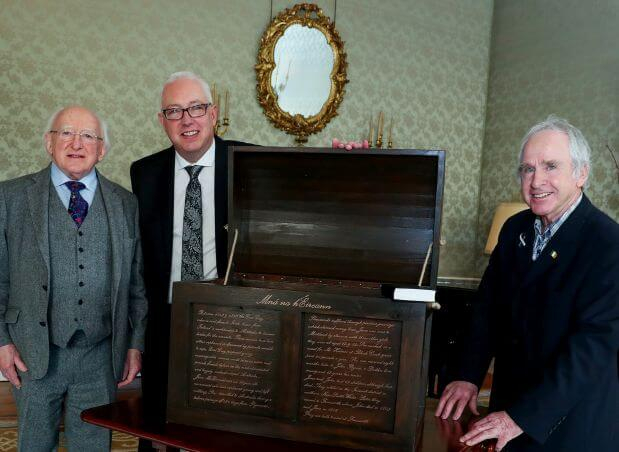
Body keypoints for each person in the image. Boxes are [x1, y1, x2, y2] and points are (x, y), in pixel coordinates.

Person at [435, 115, 619, 451]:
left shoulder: (607, 242)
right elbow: (488, 310)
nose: (536, 181)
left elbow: (593, 350)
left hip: (568, 425)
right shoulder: (514, 228)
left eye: (551, 166)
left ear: (581, 174)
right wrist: (468, 375)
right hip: (509, 411)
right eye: (527, 169)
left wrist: (522, 416)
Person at [0, 106, 148, 451]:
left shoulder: (125, 203)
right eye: (66, 133)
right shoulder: (10, 198)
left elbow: (136, 286)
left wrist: (135, 343)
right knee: (34, 445)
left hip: (100, 355)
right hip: (33, 353)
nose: (77, 143)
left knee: (94, 447)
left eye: (88, 136)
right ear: (49, 143)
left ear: (102, 149)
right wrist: (1, 341)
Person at [130, 71, 251, 451]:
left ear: (213, 114)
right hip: (166, 320)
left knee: (224, 428)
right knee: (159, 429)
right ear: (162, 121)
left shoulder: (248, 162)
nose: (187, 120)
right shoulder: (145, 173)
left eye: (196, 108)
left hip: (233, 320)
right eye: (174, 111)